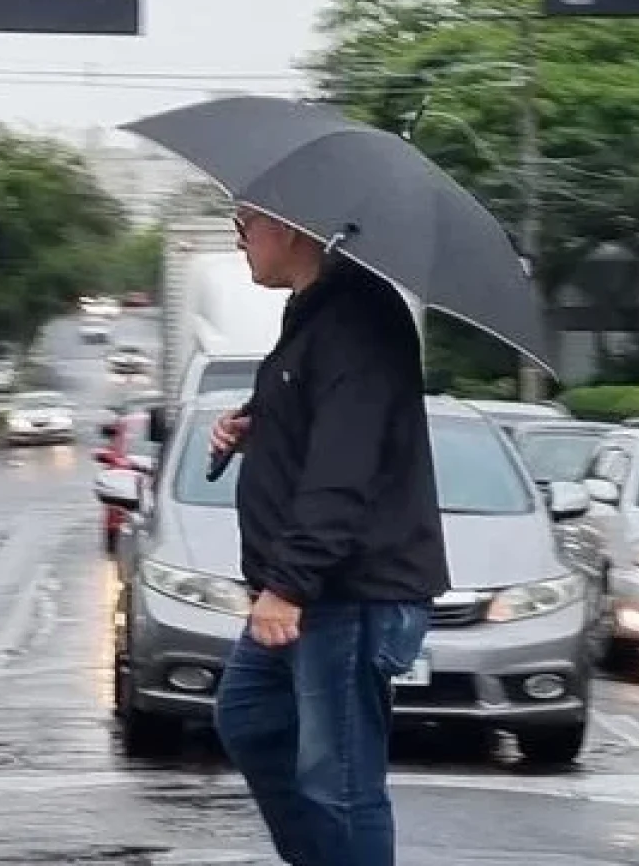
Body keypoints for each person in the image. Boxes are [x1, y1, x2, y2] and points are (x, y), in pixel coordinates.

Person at [209, 206, 450, 866]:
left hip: (345, 591)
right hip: (318, 591)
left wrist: (288, 585)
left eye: (244, 224)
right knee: (250, 716)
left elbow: (346, 467)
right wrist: (259, 422)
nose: (238, 239)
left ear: (288, 227)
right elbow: (321, 418)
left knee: (339, 784)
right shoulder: (315, 310)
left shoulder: (356, 318)